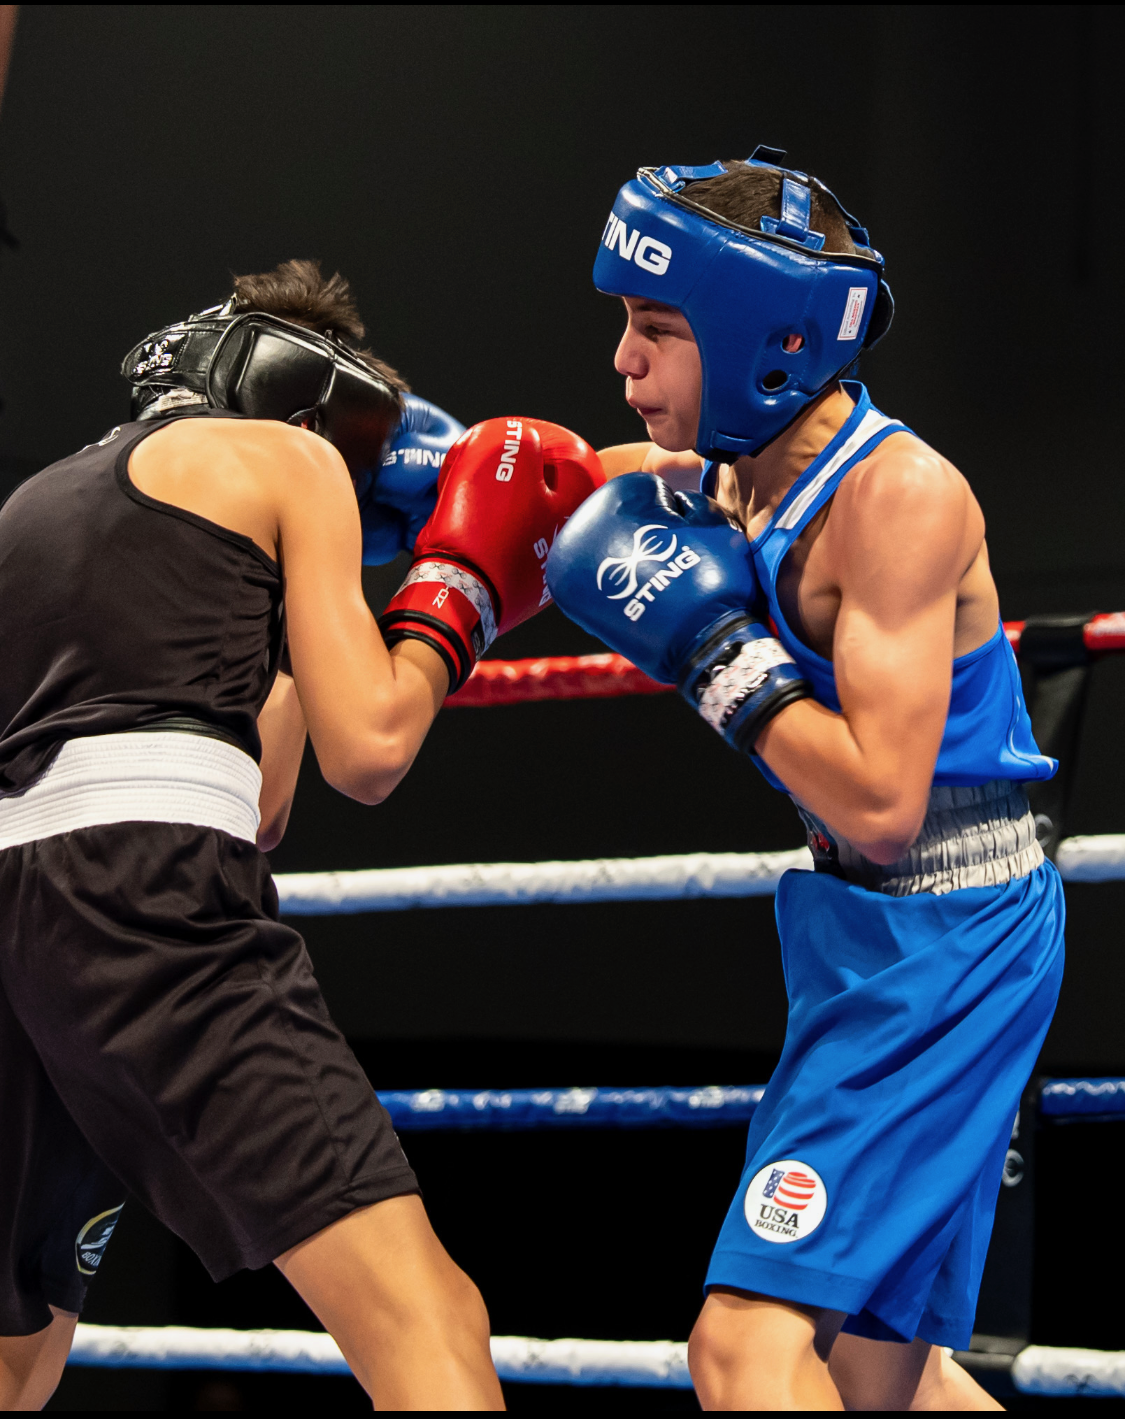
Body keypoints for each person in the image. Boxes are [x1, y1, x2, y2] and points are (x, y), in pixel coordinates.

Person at [0, 258, 603, 1410]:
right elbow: (369, 749)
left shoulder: (38, 501)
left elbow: (260, 804)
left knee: (15, 1350)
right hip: (150, 902)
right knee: (430, 1322)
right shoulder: (292, 457)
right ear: (312, 400)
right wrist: (456, 588)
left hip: (17, 918)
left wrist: (294, 619)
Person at [548, 151, 1063, 1410]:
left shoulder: (898, 500)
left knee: (745, 1350)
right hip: (874, 937)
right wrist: (430, 479)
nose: (627, 362)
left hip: (947, 935)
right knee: (880, 1381)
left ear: (756, 340)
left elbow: (883, 811)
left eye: (656, 331)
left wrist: (718, 659)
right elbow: (569, 486)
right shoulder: (740, 470)